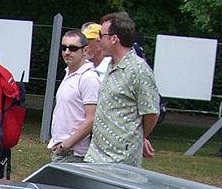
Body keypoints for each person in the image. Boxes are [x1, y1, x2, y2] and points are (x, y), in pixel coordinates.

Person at [83, 11, 160, 166]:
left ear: (114, 39)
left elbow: (151, 112)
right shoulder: (111, 66)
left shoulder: (139, 70)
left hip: (120, 158)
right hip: (96, 155)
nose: (98, 39)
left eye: (101, 35)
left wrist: (138, 136)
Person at [48, 28, 100, 162]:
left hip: (73, 153)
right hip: (61, 150)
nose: (67, 52)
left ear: (85, 50)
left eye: (73, 48)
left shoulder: (88, 78)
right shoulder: (69, 74)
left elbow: (92, 119)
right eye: (64, 48)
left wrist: (67, 144)